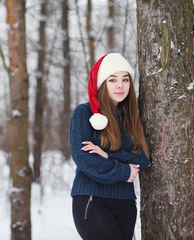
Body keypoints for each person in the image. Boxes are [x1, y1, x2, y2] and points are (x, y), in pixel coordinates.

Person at [70, 53, 150, 240]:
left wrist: (107, 155)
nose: (120, 85)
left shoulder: (132, 118)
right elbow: (84, 160)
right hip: (92, 199)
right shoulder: (84, 113)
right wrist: (124, 172)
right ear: (102, 83)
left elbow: (143, 159)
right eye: (113, 79)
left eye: (125, 79)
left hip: (126, 203)